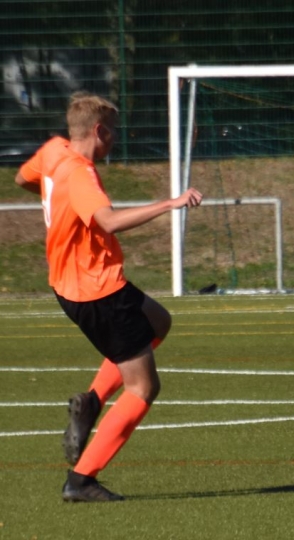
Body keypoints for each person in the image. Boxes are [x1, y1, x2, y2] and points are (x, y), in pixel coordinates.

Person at [14, 92, 203, 502]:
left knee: (159, 320)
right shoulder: (80, 174)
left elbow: (23, 179)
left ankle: (92, 402)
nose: (115, 138)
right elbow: (110, 221)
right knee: (143, 388)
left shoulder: (54, 151)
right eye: (112, 131)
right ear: (98, 131)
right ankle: (81, 480)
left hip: (71, 282)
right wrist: (170, 203)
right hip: (97, 290)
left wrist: (58, 205)